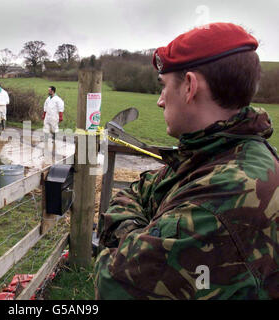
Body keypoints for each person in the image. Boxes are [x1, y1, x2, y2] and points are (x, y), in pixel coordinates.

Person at [95, 22, 278, 300]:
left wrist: (129, 239)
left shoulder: (213, 204)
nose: (159, 100)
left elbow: (112, 281)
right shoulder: (226, 152)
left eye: (164, 86)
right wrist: (141, 235)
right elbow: (139, 189)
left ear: (190, 86)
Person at [42, 86, 64, 157]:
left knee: (54, 129)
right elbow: (45, 107)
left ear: (53, 91)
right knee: (45, 128)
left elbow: (61, 108)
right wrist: (44, 114)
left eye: (49, 90)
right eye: (48, 90)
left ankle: (55, 139)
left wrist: (61, 116)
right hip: (47, 116)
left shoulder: (58, 99)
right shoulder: (48, 99)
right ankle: (45, 140)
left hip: (54, 116)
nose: (48, 92)